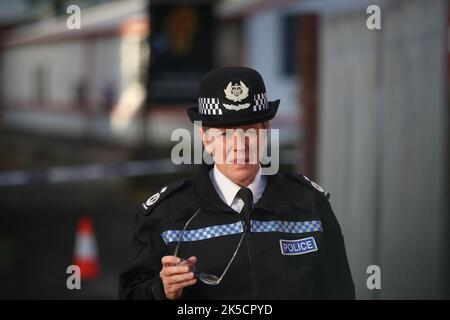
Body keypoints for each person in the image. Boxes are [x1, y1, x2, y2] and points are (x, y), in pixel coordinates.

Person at [118, 66, 355, 299]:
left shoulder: (310, 206)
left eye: (249, 132)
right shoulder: (166, 216)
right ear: (205, 138)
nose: (239, 145)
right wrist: (162, 291)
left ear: (266, 132)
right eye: (225, 134)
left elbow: (340, 291)